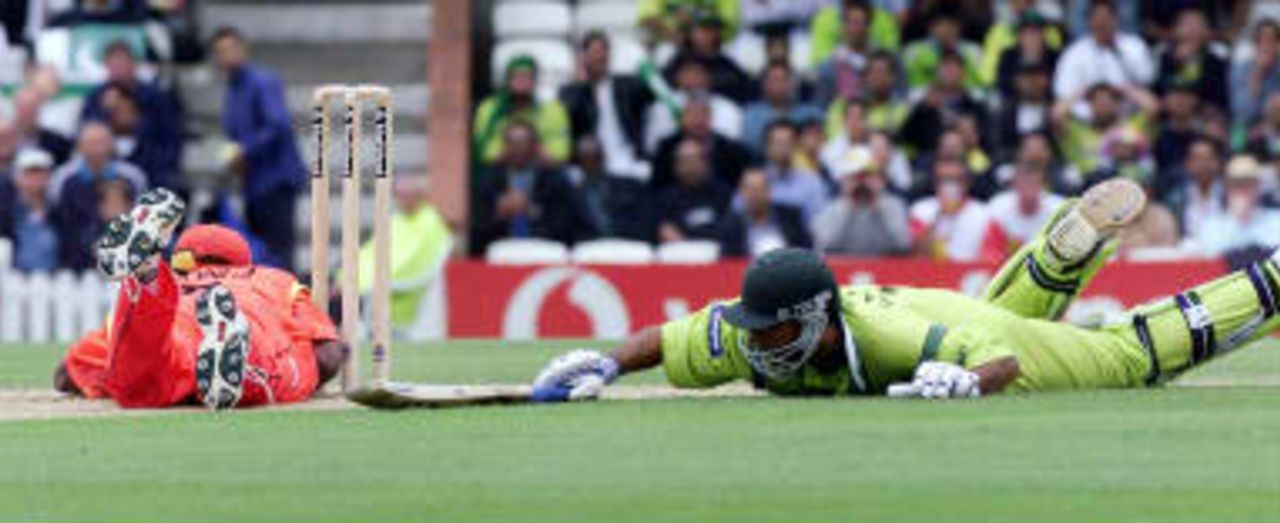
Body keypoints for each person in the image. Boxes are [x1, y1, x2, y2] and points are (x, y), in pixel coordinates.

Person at [533, 178, 1280, 405]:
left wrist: (966, 381)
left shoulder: (887, 343)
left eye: (769, 331)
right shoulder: (753, 333)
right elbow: (670, 339)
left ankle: (1272, 280)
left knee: (1127, 357)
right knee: (992, 312)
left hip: (957, 331)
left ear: (817, 322)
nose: (755, 343)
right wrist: (604, 360)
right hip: (950, 308)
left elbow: (997, 358)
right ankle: (1055, 261)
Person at [55, 190, 348, 409]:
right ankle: (243, 368)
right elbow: (328, 355)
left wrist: (97, 379)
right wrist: (324, 370)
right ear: (242, 261)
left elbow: (66, 374)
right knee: (280, 366)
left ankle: (145, 278)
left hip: (173, 338)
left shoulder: (180, 280)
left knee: (138, 371)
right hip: (252, 327)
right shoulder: (275, 280)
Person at [212, 27, 307, 270]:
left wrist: (245, 151)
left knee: (279, 252)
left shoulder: (263, 82)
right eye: (222, 51)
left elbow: (278, 125)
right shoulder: (232, 91)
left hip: (275, 179)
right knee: (259, 254)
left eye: (232, 49)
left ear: (244, 50)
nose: (228, 56)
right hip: (252, 183)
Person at [471, 121, 596, 255]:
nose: (517, 148)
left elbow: (570, 228)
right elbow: (475, 235)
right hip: (501, 257)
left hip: (545, 256)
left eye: (523, 142)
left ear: (535, 146)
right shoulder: (489, 180)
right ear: (504, 147)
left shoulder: (554, 180)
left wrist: (532, 211)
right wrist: (498, 213)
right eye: (512, 143)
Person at [354, 175, 453, 333]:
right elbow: (370, 252)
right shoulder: (396, 220)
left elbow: (416, 265)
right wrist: (345, 276)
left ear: (420, 196)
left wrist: (363, 282)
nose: (402, 200)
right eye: (399, 195)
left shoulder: (430, 223)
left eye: (407, 195)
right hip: (373, 285)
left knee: (340, 307)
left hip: (401, 295)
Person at [50, 122, 148, 271]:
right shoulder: (64, 177)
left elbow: (142, 217)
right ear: (80, 146)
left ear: (112, 145)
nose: (97, 149)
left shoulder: (132, 176)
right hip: (74, 258)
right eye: (91, 143)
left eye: (102, 142)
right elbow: (58, 216)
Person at [559, 32, 655, 181]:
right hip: (588, 159)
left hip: (627, 157)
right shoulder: (570, 91)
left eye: (603, 51)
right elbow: (570, 120)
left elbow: (652, 93)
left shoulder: (627, 85)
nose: (599, 56)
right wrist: (583, 85)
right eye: (594, 52)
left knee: (645, 172)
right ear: (583, 57)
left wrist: (648, 55)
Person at [810, 146, 911, 257]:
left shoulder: (893, 206)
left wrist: (878, 208)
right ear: (844, 180)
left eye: (866, 175)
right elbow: (826, 246)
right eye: (855, 177)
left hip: (884, 270)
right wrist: (848, 207)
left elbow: (903, 245)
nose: (861, 183)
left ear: (880, 178)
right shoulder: (832, 209)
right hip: (843, 270)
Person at [475, 55, 573, 166]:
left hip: (542, 171)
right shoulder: (490, 109)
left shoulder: (554, 110)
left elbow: (560, 156)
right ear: (507, 80)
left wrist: (531, 144)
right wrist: (514, 147)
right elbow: (486, 155)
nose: (521, 81)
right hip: (500, 171)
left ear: (535, 80)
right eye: (515, 76)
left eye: (527, 76)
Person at [1053, 0, 1155, 102]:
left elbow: (1147, 78)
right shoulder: (1075, 53)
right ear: (1089, 22)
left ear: (1115, 19)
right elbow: (1063, 91)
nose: (1102, 24)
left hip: (1127, 113)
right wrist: (1088, 91)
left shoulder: (1133, 45)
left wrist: (1122, 88)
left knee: (1151, 104)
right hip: (1086, 114)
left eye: (1106, 19)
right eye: (1098, 20)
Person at [909, 160, 1006, 262]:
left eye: (956, 180)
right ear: (934, 182)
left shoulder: (984, 214)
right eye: (943, 180)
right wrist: (938, 217)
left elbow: (991, 259)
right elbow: (916, 258)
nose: (950, 186)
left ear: (967, 182)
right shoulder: (920, 211)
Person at [650, 95, 753, 190]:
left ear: (711, 117)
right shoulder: (667, 147)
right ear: (681, 118)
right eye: (691, 114)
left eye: (702, 114)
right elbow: (657, 185)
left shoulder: (730, 149)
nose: (697, 120)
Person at [566, 136, 656, 242]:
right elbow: (570, 230)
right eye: (586, 158)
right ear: (580, 162)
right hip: (591, 247)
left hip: (627, 243)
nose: (591, 162)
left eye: (595, 157)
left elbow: (643, 219)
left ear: (603, 157)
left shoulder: (628, 186)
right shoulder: (572, 194)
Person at [1191, 155, 1280, 256]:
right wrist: (1239, 220)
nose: (1242, 189)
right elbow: (1213, 254)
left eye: (1247, 183)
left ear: (1258, 186)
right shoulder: (1211, 224)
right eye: (1236, 183)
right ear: (1227, 187)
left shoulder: (1276, 220)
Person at [717, 169, 812, 258]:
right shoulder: (731, 226)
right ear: (741, 192)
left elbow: (807, 251)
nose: (754, 195)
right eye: (749, 189)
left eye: (759, 189)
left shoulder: (791, 217)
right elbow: (727, 261)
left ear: (769, 191)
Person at [662, 11, 753, 104]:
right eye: (704, 30)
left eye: (714, 30)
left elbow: (747, 89)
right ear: (691, 32)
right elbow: (663, 86)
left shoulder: (725, 62)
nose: (709, 35)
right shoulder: (680, 60)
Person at [657, 138, 732, 243]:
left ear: (706, 163)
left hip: (717, 251)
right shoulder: (667, 198)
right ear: (676, 167)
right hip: (682, 252)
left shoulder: (722, 193)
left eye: (694, 161)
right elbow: (664, 228)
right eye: (685, 162)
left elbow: (731, 226)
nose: (690, 168)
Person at [1154, 8, 1228, 113]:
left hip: (1202, 114)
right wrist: (1179, 62)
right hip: (1167, 113)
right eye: (1186, 23)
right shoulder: (1164, 56)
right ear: (1175, 29)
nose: (1191, 29)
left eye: (1197, 24)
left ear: (1206, 31)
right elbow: (1158, 89)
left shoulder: (1215, 59)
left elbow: (1219, 96)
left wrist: (1193, 101)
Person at [741, 61, 822, 154]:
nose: (780, 86)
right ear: (764, 84)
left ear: (794, 83)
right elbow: (749, 146)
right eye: (774, 80)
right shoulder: (751, 115)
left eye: (784, 80)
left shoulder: (812, 113)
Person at [758, 121, 828, 221]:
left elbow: (820, 222)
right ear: (767, 148)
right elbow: (739, 217)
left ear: (796, 146)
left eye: (788, 143)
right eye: (778, 143)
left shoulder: (811, 182)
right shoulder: (754, 181)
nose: (783, 148)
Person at [987, 162, 1067, 249]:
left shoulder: (1059, 207)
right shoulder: (998, 205)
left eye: (1033, 183)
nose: (1028, 189)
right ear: (1015, 185)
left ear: (1042, 185)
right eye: (1025, 183)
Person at [3, 149, 59, 272]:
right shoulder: (5, 213)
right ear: (17, 177)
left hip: (57, 281)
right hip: (13, 280)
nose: (35, 179)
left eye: (41, 173)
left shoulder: (61, 212)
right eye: (29, 173)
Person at [902, 8, 983, 90]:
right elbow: (902, 82)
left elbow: (982, 83)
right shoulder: (914, 51)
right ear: (931, 27)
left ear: (959, 27)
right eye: (940, 25)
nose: (945, 30)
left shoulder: (973, 51)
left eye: (950, 25)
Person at [1166, 137, 1227, 238]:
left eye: (1209, 159)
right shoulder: (1175, 199)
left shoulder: (1228, 195)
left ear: (1218, 163)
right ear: (1187, 164)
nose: (1204, 165)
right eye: (1198, 159)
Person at [1231, 19, 1280, 130]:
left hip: (1277, 129)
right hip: (1248, 129)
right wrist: (1258, 72)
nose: (1265, 45)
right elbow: (1242, 112)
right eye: (1260, 40)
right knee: (1239, 128)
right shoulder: (1241, 69)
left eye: (1271, 40)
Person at [10, 87, 72, 164]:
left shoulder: (59, 144)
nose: (28, 112)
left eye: (32, 107)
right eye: (23, 107)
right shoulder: (4, 141)